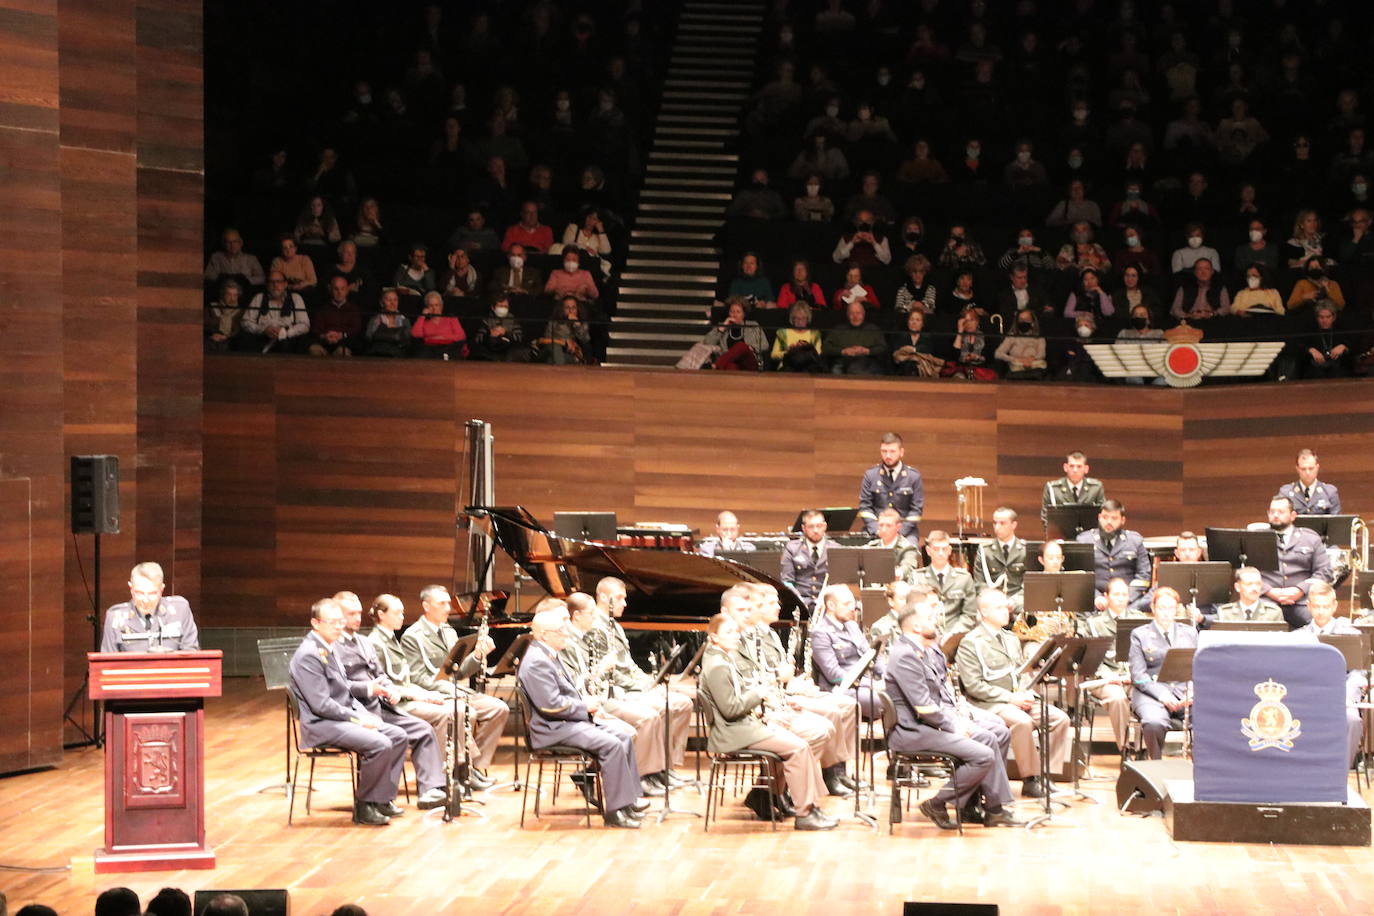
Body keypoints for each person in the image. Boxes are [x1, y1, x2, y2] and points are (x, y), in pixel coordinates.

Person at [886, 596, 1023, 830]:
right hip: (914, 731)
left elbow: (941, 692)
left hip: (930, 723)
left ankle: (979, 806)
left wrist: (960, 715)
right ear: (917, 626)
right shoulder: (905, 656)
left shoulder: (925, 650)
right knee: (984, 751)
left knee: (997, 733)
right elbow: (924, 707)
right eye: (930, 618)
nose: (936, 620)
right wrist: (955, 725)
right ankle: (941, 803)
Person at [699, 612, 837, 830]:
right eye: (728, 632)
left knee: (797, 739)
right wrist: (760, 693)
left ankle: (800, 804)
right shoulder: (717, 665)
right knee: (798, 748)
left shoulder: (722, 659)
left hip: (744, 726)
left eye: (736, 631)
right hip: (733, 733)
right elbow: (730, 709)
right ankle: (805, 812)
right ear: (714, 637)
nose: (736, 636)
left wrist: (766, 714)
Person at [518, 603, 647, 828]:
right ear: (544, 634)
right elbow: (550, 705)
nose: (567, 632)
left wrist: (589, 705)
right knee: (611, 745)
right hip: (552, 729)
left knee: (623, 736)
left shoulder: (549, 654)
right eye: (561, 630)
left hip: (567, 722)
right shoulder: (536, 662)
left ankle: (628, 802)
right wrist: (584, 706)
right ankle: (614, 813)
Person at [289, 599, 410, 825]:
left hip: (340, 718)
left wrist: (364, 715)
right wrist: (359, 719)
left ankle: (381, 799)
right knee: (380, 743)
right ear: (315, 623)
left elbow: (346, 692)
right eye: (332, 622)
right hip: (321, 724)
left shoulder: (329, 647)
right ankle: (365, 806)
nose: (338, 626)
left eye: (340, 621)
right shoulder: (309, 654)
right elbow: (321, 705)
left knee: (398, 735)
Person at [331, 592, 449, 808]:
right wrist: (369, 688)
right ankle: (381, 799)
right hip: (355, 711)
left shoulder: (364, 642)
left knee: (423, 729)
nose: (358, 618)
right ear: (336, 616)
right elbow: (337, 686)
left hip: (380, 707)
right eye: (351, 614)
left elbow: (381, 675)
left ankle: (431, 789)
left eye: (358, 613)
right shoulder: (332, 647)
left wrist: (388, 689)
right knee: (395, 737)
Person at [955, 589, 1071, 797]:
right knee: (1022, 722)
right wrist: (1010, 698)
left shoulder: (1010, 638)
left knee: (1060, 718)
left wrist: (1026, 693)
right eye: (999, 607)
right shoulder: (971, 642)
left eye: (1005, 605)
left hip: (1017, 698)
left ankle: (1047, 775)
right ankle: (1031, 779)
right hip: (989, 704)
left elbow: (1019, 672)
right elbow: (973, 686)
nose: (1006, 610)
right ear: (983, 612)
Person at [563, 593, 671, 797]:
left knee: (654, 713)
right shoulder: (570, 643)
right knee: (646, 717)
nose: (595, 617)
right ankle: (637, 778)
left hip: (600, 696)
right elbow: (577, 683)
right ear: (576, 616)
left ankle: (647, 774)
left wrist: (612, 686)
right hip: (592, 702)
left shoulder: (585, 637)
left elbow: (589, 679)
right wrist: (603, 672)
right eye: (591, 613)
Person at [365, 593, 477, 788]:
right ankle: (447, 776)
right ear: (382, 615)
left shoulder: (391, 638)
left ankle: (459, 771)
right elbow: (384, 683)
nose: (402, 617)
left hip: (406, 698)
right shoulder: (376, 642)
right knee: (448, 713)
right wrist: (418, 694)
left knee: (458, 708)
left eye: (402, 612)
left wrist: (426, 694)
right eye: (397, 613)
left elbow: (404, 679)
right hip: (393, 705)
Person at [400, 585, 511, 780]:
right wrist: (451, 690)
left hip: (454, 691)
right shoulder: (413, 636)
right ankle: (462, 771)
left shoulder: (449, 631)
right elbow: (417, 678)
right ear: (426, 606)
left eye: (447, 603)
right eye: (441, 604)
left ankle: (474, 768)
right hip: (435, 696)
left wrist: (478, 655)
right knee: (467, 711)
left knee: (498, 708)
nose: (447, 608)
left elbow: (459, 672)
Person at [592, 577, 695, 780]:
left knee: (683, 704)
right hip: (618, 692)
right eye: (620, 598)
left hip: (632, 687)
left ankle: (666, 767)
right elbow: (612, 674)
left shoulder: (615, 627)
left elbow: (629, 665)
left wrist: (650, 682)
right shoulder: (596, 628)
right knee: (664, 706)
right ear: (604, 597)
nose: (625, 603)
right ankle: (649, 772)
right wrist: (643, 687)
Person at [1295, 581, 1365, 765]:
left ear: (1334, 606)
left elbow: (1358, 672)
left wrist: (1348, 696)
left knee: (1352, 719)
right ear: (1309, 606)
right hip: (1307, 698)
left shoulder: (1350, 634)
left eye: (1325, 606)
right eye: (1316, 606)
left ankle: (1341, 772)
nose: (1320, 611)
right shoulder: (1297, 637)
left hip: (1341, 695)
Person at [1128, 587, 1198, 760]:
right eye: (1162, 608)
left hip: (1184, 692)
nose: (1166, 613)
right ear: (1153, 608)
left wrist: (1193, 690)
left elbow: (1199, 667)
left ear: (1177, 609)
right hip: (1152, 693)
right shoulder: (1140, 635)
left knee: (1208, 719)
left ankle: (1202, 768)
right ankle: (1156, 764)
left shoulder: (1189, 633)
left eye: (1171, 608)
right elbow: (1138, 675)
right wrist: (1162, 695)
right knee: (1153, 722)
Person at [1079, 578, 1144, 749]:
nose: (1121, 598)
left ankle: (1142, 749)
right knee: (1118, 698)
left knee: (1149, 695)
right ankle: (1124, 748)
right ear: (1106, 597)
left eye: (1124, 594)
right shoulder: (1094, 623)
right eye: (1116, 594)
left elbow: (1146, 653)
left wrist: (1135, 674)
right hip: (1104, 677)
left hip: (1133, 676)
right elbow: (1091, 659)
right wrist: (1110, 676)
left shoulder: (1139, 619)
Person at [810, 584, 885, 721]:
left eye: (853, 602)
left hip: (866, 681)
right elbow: (833, 675)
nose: (853, 608)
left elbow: (872, 654)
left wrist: (886, 676)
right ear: (831, 606)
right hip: (842, 687)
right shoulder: (821, 633)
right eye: (847, 604)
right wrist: (871, 684)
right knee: (884, 700)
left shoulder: (852, 626)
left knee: (902, 691)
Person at [1261, 495, 1332, 628]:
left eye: (1281, 512)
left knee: (1321, 625)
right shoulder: (1257, 538)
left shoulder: (1310, 538)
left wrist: (1300, 590)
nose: (1275, 515)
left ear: (1293, 515)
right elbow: (1246, 571)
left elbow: (1324, 572)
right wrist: (1270, 591)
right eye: (1272, 512)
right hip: (1267, 600)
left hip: (1302, 601)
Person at [101, 562, 198, 653]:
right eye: (139, 593)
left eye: (152, 594)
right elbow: (106, 663)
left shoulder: (180, 610)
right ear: (131, 588)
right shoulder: (115, 617)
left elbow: (191, 654)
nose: (145, 600)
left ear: (162, 589)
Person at [1077, 499, 1152, 602]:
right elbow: (1080, 575)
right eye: (1105, 517)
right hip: (1094, 602)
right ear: (1099, 518)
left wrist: (1124, 597)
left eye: (1114, 518)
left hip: (1128, 602)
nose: (1109, 522)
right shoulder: (1084, 540)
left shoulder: (1135, 541)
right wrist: (1096, 597)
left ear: (1122, 520)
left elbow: (1143, 575)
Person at [857, 432, 923, 543]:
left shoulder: (913, 477)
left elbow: (916, 511)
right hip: (876, 531)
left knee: (909, 550)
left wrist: (897, 532)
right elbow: (865, 508)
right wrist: (878, 530)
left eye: (892, 451)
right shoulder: (871, 475)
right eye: (884, 451)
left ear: (901, 452)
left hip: (905, 532)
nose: (888, 456)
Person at [913, 529, 977, 634]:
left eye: (944, 549)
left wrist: (953, 634)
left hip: (956, 635)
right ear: (928, 551)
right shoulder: (917, 577)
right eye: (936, 549)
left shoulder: (964, 578)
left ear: (949, 550)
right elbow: (914, 611)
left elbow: (969, 615)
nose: (940, 553)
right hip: (927, 634)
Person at [973, 508, 1030, 610]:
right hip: (992, 604)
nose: (997, 527)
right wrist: (995, 600)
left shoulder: (1025, 550)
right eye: (995, 523)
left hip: (1018, 604)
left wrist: (1014, 601)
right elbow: (979, 583)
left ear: (1014, 525)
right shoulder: (985, 550)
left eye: (1002, 523)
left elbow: (1029, 584)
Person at [782, 509, 838, 610]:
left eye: (819, 526)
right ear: (804, 528)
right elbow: (787, 581)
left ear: (824, 526)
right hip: (801, 603)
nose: (815, 530)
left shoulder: (836, 549)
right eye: (811, 526)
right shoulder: (792, 548)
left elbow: (840, 583)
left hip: (828, 605)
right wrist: (799, 601)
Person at [241, 272, 310, 352]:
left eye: (279, 282)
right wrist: (263, 329)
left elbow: (305, 325)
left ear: (285, 284)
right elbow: (245, 321)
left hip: (288, 340)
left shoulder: (296, 298)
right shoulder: (259, 298)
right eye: (271, 282)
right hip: (262, 338)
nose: (275, 285)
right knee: (244, 340)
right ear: (267, 285)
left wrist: (285, 332)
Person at [697, 299, 767, 371]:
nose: (734, 315)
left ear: (744, 314)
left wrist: (751, 347)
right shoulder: (722, 326)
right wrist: (722, 328)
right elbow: (708, 342)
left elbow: (765, 345)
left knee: (740, 345)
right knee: (730, 367)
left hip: (748, 362)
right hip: (729, 362)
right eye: (732, 311)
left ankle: (715, 365)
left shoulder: (753, 325)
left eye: (738, 312)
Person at [1041, 450, 1105, 526]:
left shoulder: (1095, 488)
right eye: (1071, 466)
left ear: (1086, 469)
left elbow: (1103, 514)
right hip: (1061, 534)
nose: (1075, 470)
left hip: (1089, 534)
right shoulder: (1052, 488)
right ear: (1065, 467)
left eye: (1079, 466)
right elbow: (1045, 517)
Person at [823, 299, 886, 374]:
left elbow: (883, 347)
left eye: (858, 313)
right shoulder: (838, 329)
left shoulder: (873, 329)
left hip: (867, 363)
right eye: (852, 313)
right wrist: (843, 351)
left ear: (863, 314)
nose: (855, 316)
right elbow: (825, 347)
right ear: (847, 315)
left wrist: (867, 351)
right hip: (842, 362)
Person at [308, 275, 364, 356]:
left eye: (342, 289)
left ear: (347, 290)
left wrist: (342, 335)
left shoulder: (353, 308)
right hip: (325, 342)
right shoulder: (323, 308)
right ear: (330, 289)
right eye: (336, 289)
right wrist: (325, 336)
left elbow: (356, 328)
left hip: (345, 343)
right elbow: (316, 329)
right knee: (314, 350)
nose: (339, 292)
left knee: (342, 351)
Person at [1279, 449, 1342, 515]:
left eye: (1311, 468)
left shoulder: (1330, 492)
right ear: (1297, 469)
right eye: (1303, 469)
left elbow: (1336, 522)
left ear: (1317, 468)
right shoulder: (1286, 493)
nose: (1307, 472)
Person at [864, 509, 921, 581]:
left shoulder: (908, 547)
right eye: (881, 525)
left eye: (888, 526)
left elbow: (908, 566)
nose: (884, 529)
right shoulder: (871, 546)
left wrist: (898, 573)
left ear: (898, 527)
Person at [534, 296, 592, 365]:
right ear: (562, 309)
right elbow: (547, 340)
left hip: (569, 354)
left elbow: (585, 340)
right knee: (555, 348)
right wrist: (564, 343)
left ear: (577, 309)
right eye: (567, 308)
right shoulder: (554, 322)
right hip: (550, 349)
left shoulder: (581, 323)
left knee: (552, 360)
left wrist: (577, 325)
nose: (571, 310)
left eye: (573, 308)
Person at [1215, 567, 1285, 623]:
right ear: (1237, 587)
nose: (1254, 588)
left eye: (1258, 584)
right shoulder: (1225, 613)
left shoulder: (1273, 613)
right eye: (1249, 584)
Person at [470, 294, 527, 362]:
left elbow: (520, 338)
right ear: (493, 307)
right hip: (489, 351)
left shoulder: (513, 320)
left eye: (505, 306)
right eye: (500, 306)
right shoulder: (486, 320)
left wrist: (506, 333)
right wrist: (490, 333)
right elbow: (478, 339)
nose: (503, 308)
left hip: (508, 351)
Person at [411, 291, 467, 359]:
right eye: (431, 306)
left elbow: (461, 336)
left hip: (449, 348)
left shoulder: (451, 318)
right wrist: (422, 316)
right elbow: (415, 334)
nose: (434, 308)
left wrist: (442, 337)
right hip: (430, 350)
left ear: (441, 306)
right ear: (427, 307)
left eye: (436, 305)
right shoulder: (424, 322)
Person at [771, 301, 824, 372]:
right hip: (787, 368)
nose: (800, 322)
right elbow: (774, 355)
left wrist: (806, 349)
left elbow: (818, 354)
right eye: (797, 318)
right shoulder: (783, 333)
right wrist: (789, 351)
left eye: (803, 318)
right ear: (792, 319)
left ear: (808, 319)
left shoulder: (814, 334)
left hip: (808, 369)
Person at [994, 308, 1047, 380]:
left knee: (1042, 366)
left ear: (1033, 322)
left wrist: (1031, 359)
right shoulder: (1012, 336)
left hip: (1035, 366)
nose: (1023, 322)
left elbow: (1042, 354)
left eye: (1027, 319)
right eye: (1021, 320)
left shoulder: (1039, 337)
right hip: (1017, 366)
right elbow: (998, 353)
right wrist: (1016, 359)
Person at [205, 278, 245, 352]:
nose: (232, 298)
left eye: (235, 295)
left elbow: (239, 330)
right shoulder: (212, 307)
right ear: (223, 294)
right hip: (211, 339)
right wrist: (214, 334)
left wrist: (226, 336)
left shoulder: (240, 312)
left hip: (231, 342)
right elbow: (205, 324)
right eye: (229, 294)